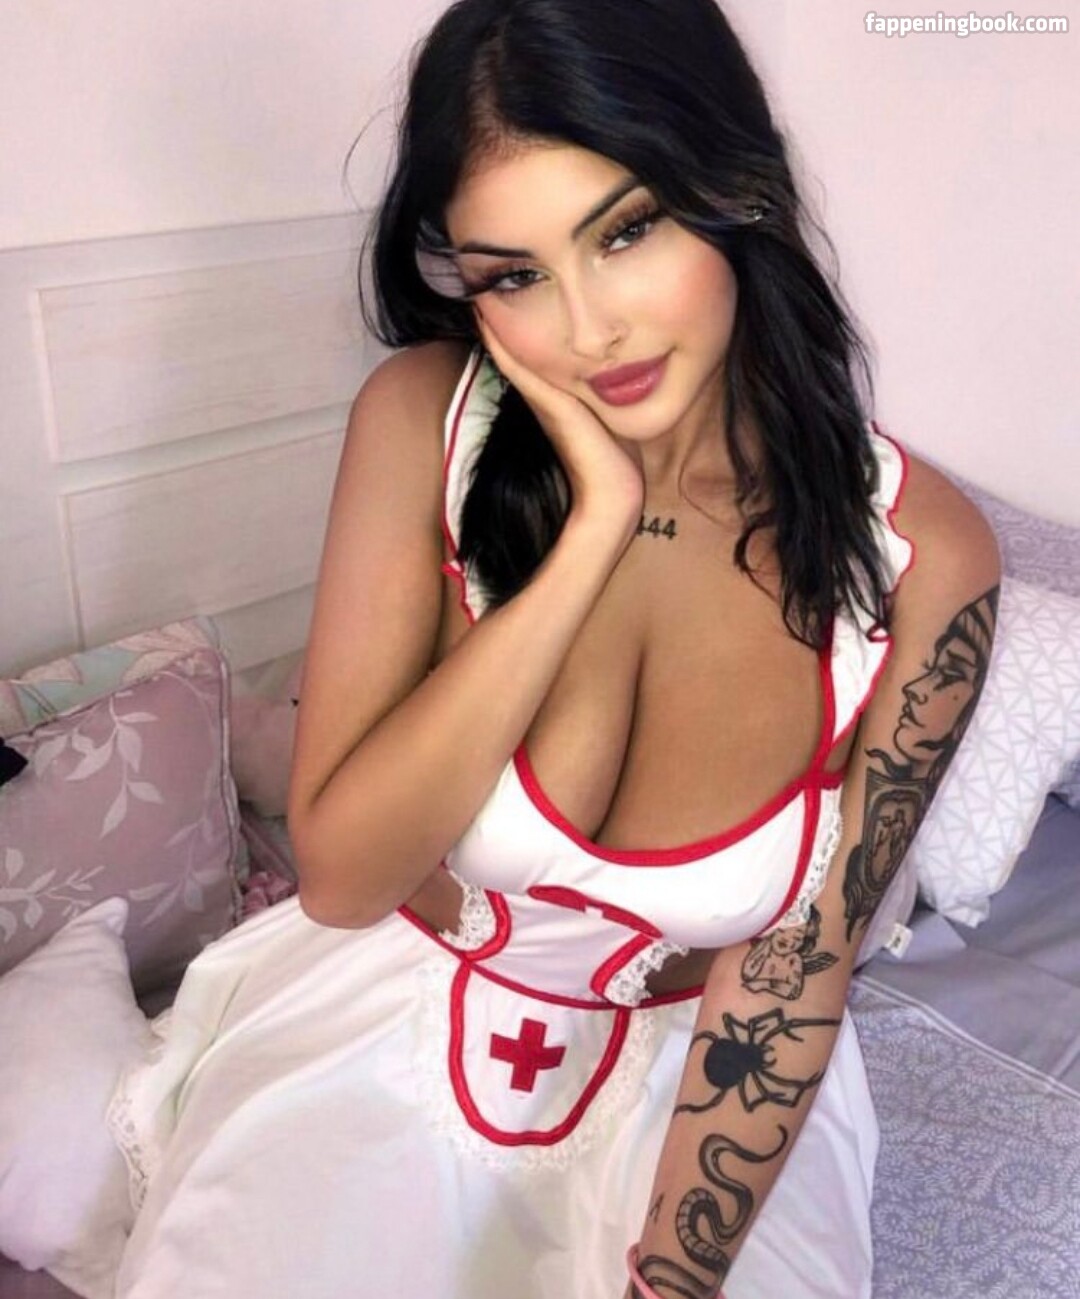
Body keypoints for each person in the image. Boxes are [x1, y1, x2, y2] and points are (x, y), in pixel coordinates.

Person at [108, 2, 1000, 1296]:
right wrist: (589, 538)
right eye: (514, 276)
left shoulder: (925, 557)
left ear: (736, 185)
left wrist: (671, 1280)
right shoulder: (424, 420)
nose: (590, 332)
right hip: (387, 1027)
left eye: (626, 232)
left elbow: (796, 970)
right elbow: (345, 879)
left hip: (706, 1092)